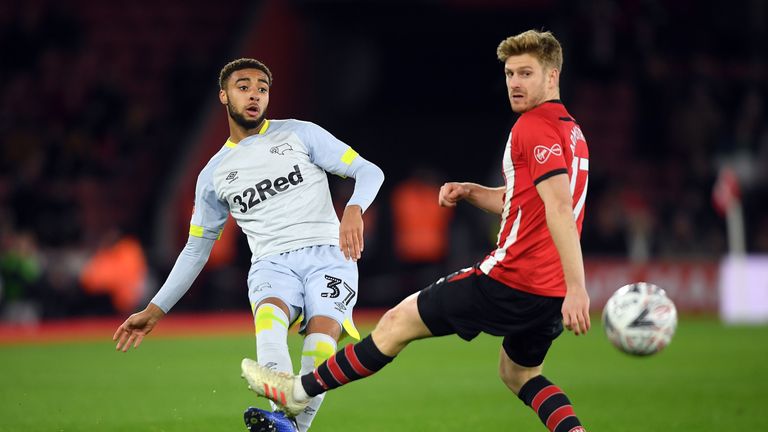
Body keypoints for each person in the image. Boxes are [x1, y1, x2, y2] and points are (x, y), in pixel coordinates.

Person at [241, 29, 591, 432]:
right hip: (549, 290)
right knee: (520, 375)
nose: (514, 83)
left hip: (513, 278)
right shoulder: (572, 131)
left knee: (396, 323)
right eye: (510, 73)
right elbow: (530, 201)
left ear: (552, 77)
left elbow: (560, 208)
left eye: (526, 73)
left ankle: (296, 392)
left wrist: (580, 288)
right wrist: (473, 192)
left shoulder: (533, 126)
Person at [112, 58, 385, 432]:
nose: (254, 94)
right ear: (224, 95)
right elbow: (196, 249)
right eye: (244, 86)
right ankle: (290, 424)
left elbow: (369, 171)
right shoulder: (213, 175)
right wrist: (156, 309)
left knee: (321, 343)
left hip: (329, 255)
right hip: (272, 264)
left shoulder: (300, 134)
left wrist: (354, 208)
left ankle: (290, 426)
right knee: (270, 320)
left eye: (262, 87)